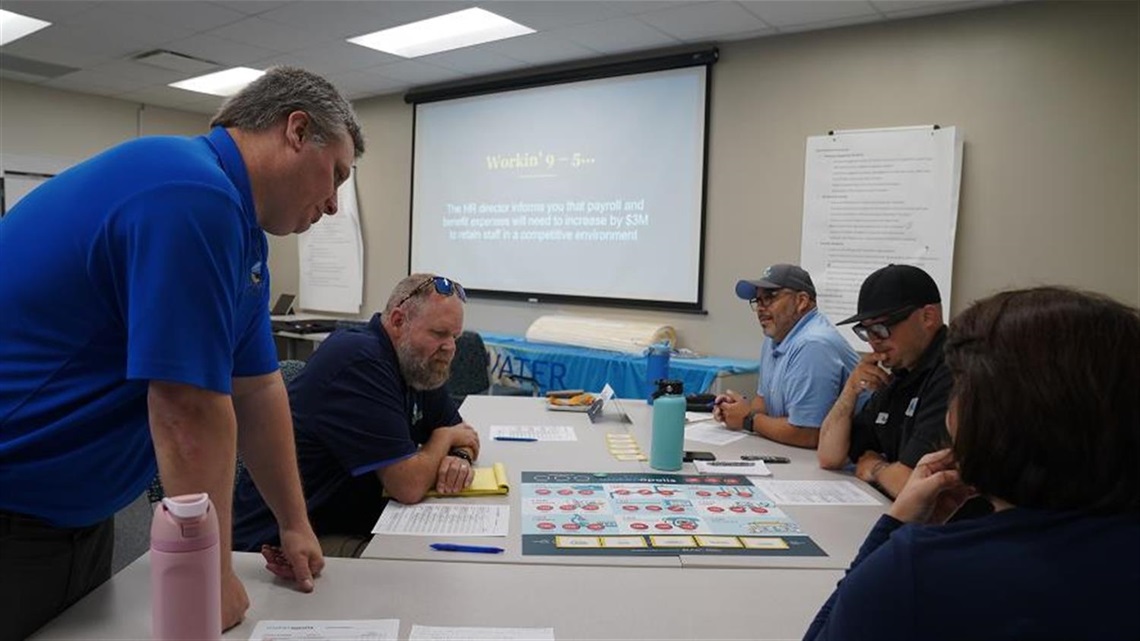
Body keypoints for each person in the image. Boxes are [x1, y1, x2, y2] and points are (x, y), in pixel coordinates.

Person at [0, 66, 364, 639]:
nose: (334, 204)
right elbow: (186, 408)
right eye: (336, 175)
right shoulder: (193, 195)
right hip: (15, 513)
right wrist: (210, 576)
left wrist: (294, 522)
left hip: (75, 520)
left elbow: (257, 389)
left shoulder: (240, 232)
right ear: (297, 130)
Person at [805, 287, 1140, 640]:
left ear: (995, 418)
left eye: (960, 392)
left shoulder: (918, 571)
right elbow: (832, 454)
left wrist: (894, 526)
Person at [232, 273, 481, 559]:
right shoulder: (359, 360)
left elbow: (463, 432)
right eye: (439, 334)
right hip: (280, 543)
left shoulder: (418, 362)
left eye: (455, 336)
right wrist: (443, 439)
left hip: (349, 521)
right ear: (399, 321)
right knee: (420, 571)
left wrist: (458, 457)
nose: (450, 348)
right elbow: (408, 486)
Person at [816, 264, 951, 498]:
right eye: (866, 331)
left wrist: (876, 468)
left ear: (927, 317)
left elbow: (913, 486)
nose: (874, 341)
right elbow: (829, 456)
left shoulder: (953, 371)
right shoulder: (899, 373)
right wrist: (850, 391)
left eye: (881, 327)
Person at [714, 264, 859, 448]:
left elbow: (808, 434)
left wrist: (748, 419)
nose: (760, 308)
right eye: (758, 301)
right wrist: (734, 410)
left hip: (844, 468)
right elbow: (764, 402)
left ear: (802, 301)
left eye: (769, 298)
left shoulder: (813, 344)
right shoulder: (776, 336)